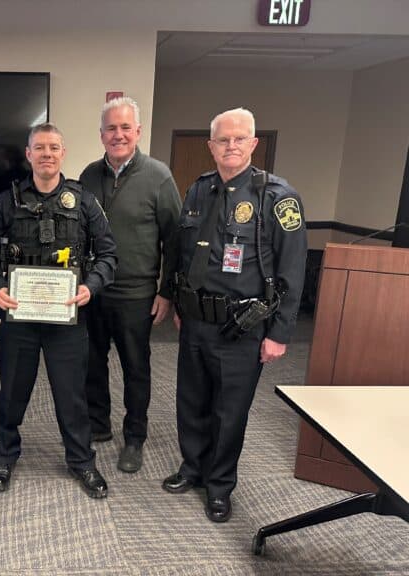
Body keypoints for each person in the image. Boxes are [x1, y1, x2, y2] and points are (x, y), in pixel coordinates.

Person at [162, 108, 307, 522]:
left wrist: (279, 334)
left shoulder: (278, 198)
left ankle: (220, 485)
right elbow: (184, 254)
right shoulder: (198, 190)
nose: (230, 146)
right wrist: (179, 303)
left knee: (229, 411)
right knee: (191, 402)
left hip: (241, 329)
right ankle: (192, 468)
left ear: (253, 144)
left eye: (239, 139)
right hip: (195, 322)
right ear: (210, 146)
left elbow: (292, 271)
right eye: (223, 140)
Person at [0, 123, 117, 498]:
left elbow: (108, 254)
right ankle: (4, 456)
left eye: (53, 147)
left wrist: (92, 286)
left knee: (72, 394)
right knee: (12, 393)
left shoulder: (84, 200)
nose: (47, 154)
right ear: (28, 154)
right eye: (39, 147)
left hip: (67, 321)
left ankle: (82, 462)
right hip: (19, 318)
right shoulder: (6, 201)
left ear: (63, 152)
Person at [79, 97, 182, 473]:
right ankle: (98, 424)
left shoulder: (159, 176)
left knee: (135, 367)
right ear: (101, 134)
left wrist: (166, 291)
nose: (118, 134)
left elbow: (175, 241)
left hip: (136, 295)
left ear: (138, 131)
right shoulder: (88, 177)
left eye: (126, 128)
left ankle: (135, 437)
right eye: (111, 128)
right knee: (92, 363)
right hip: (94, 291)